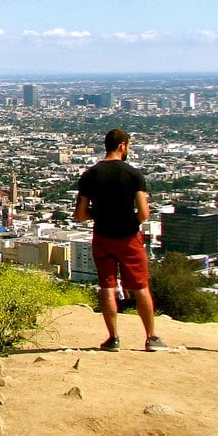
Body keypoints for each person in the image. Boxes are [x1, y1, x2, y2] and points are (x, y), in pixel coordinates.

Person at [74, 128, 168, 352]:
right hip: (128, 237)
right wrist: (130, 220)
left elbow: (80, 215)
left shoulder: (90, 175)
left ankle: (113, 338)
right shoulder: (133, 174)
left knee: (107, 286)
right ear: (122, 146)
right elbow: (144, 213)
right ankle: (151, 337)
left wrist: (100, 216)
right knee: (140, 286)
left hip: (102, 236)